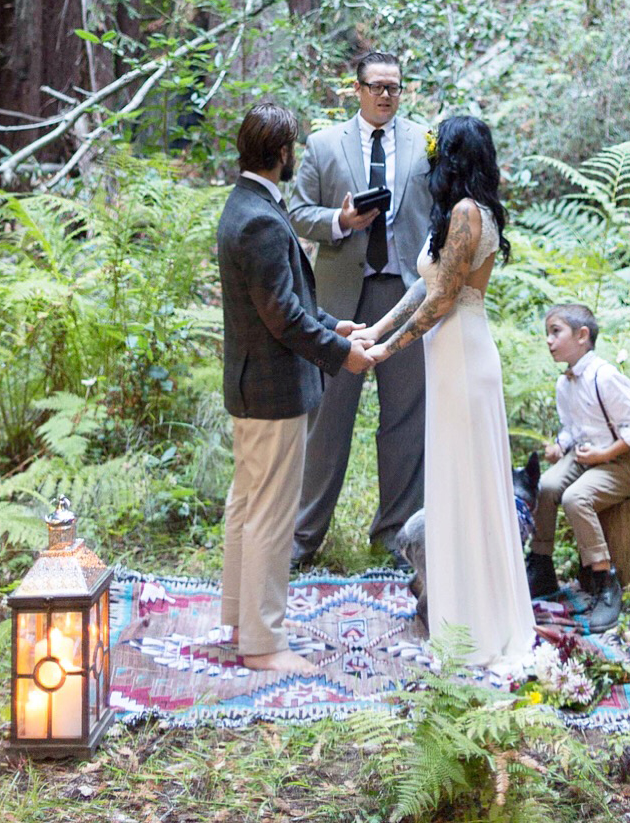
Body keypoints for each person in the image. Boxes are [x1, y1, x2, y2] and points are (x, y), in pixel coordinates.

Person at [359, 114, 535, 671]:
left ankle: (476, 626)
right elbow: (424, 287)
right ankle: (463, 611)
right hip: (451, 353)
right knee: (457, 482)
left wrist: (387, 351)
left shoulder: (466, 213)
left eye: (436, 149)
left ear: (452, 156)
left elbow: (441, 302)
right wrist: (375, 329)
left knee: (466, 484)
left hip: (461, 354)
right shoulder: (462, 212)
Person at [217, 101, 371, 674]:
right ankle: (262, 643)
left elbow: (278, 306)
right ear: (283, 154)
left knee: (246, 503)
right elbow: (280, 316)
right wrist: (342, 355)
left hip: (253, 385)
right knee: (271, 513)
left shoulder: (245, 204)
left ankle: (238, 615)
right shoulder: (258, 218)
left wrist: (334, 325)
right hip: (272, 390)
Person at [287, 50, 432, 563]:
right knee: (327, 418)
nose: (386, 95)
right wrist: (340, 222)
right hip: (341, 298)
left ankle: (394, 536)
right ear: (357, 89)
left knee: (405, 418)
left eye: (394, 87)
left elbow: (441, 211)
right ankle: (302, 539)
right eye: (377, 86)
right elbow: (297, 212)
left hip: (406, 291)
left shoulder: (425, 142)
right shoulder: (325, 144)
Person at [525, 302, 630, 632]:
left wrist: (604, 454)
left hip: (616, 464)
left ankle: (604, 581)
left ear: (582, 335)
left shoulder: (605, 377)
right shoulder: (564, 383)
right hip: (583, 458)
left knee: (575, 498)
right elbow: (572, 426)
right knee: (547, 485)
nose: (549, 341)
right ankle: (541, 564)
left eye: (556, 332)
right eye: (547, 334)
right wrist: (561, 445)